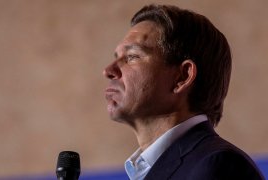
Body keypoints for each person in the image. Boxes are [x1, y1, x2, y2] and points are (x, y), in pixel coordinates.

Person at [103, 4, 264, 180]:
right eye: (116, 57)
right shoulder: (150, 170)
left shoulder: (219, 165)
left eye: (132, 56)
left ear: (182, 76)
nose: (108, 70)